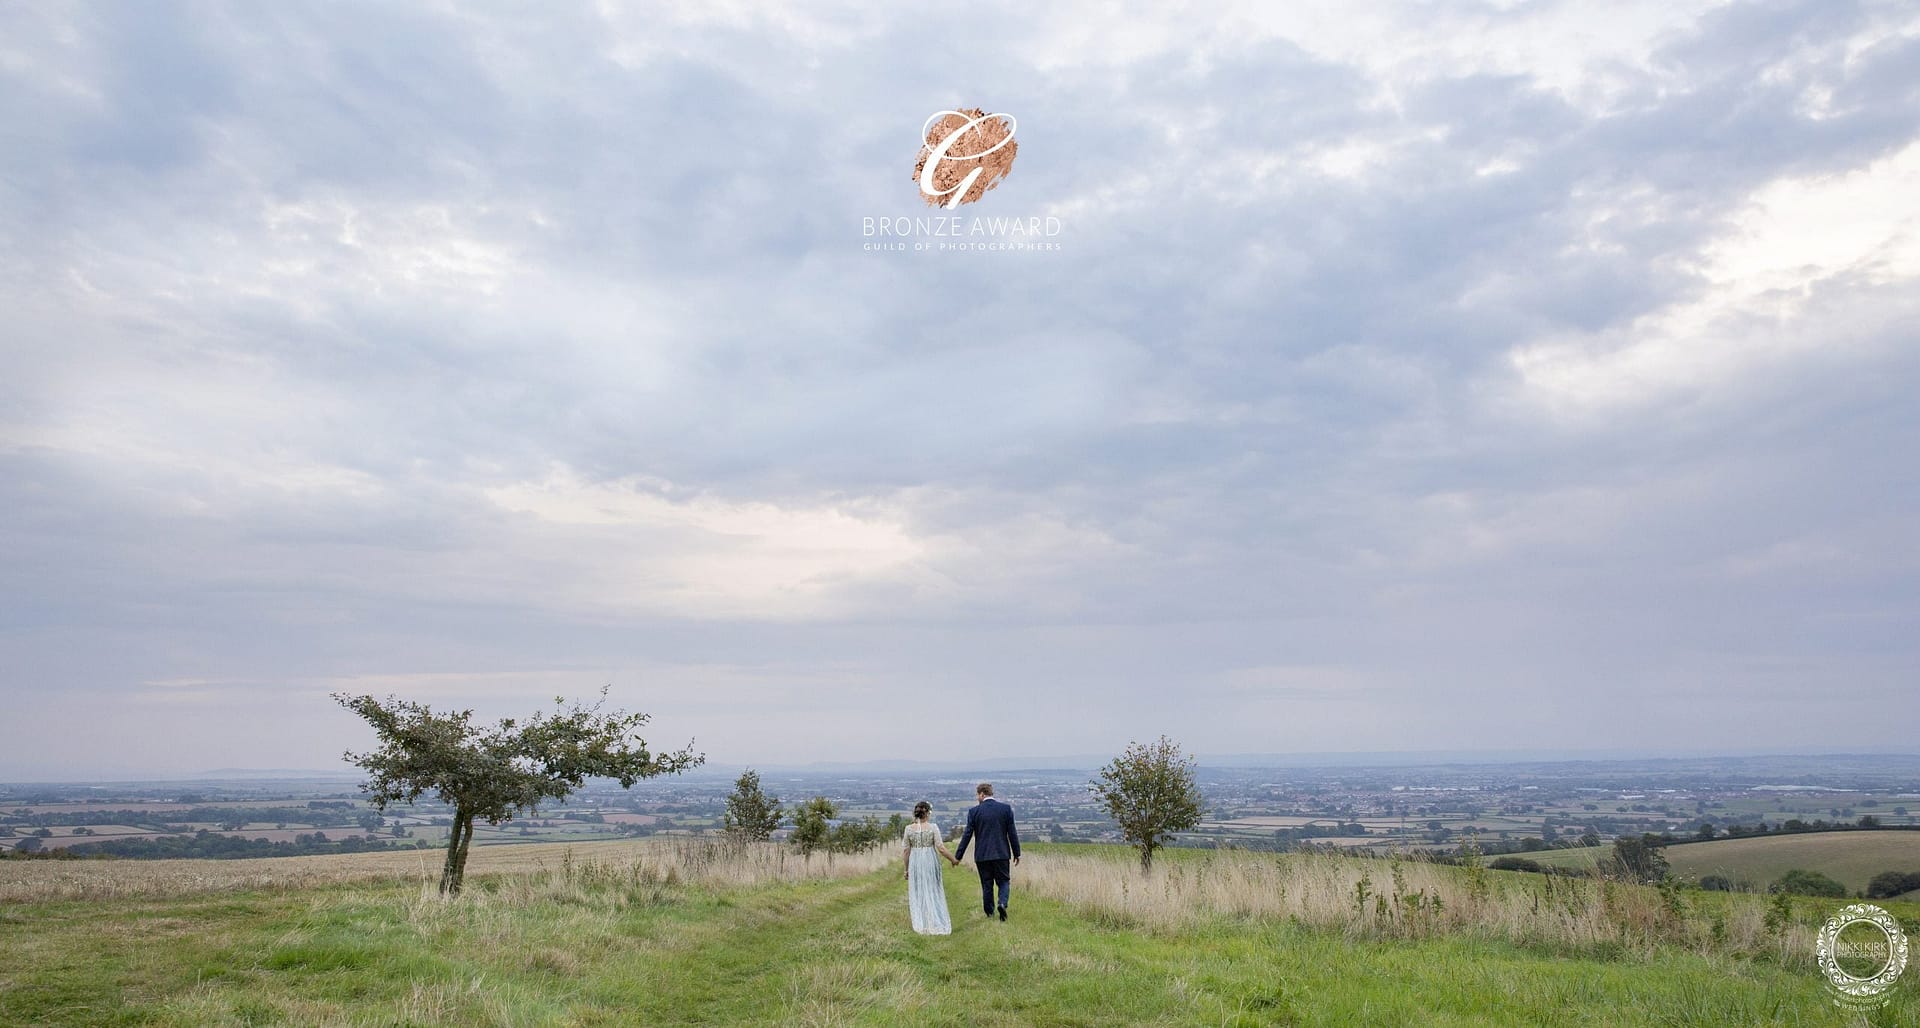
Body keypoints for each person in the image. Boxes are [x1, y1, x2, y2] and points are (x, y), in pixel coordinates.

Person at [953, 782, 1020, 921]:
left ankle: (990, 912)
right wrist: (1016, 853)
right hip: (1001, 853)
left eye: (977, 795)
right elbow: (1012, 833)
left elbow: (967, 835)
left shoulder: (974, 812)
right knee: (1004, 881)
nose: (977, 798)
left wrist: (958, 856)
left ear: (982, 794)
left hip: (982, 855)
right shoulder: (1005, 809)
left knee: (987, 883)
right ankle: (1002, 903)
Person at [902, 800, 959, 935]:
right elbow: (941, 848)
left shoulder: (908, 829)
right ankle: (935, 920)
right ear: (927, 813)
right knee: (933, 888)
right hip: (930, 860)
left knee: (918, 889)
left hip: (915, 861)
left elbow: (906, 851)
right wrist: (953, 860)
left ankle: (922, 921)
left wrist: (906, 869)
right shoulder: (933, 827)